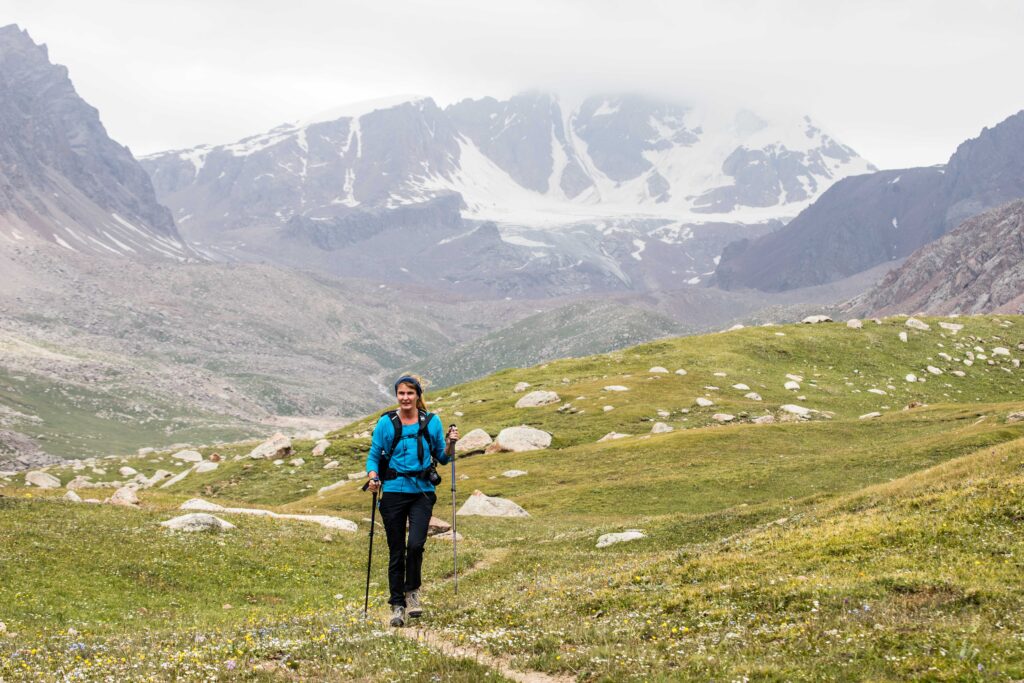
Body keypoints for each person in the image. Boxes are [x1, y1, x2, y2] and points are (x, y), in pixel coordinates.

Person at [366, 375, 458, 627]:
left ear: (418, 395)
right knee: (396, 549)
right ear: (396, 396)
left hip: (422, 492)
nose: (405, 398)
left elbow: (442, 456)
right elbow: (374, 456)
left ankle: (412, 592)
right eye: (401, 394)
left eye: (409, 393)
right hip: (394, 491)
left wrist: (451, 445)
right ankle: (397, 604)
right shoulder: (387, 423)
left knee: (415, 545)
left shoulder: (432, 421)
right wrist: (373, 477)